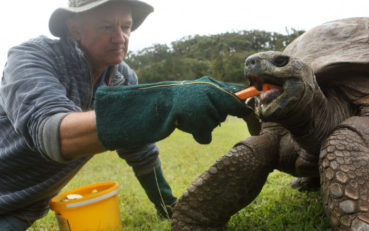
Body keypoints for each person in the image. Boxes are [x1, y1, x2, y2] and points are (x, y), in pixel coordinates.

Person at [0, 0, 250, 230]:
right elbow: (52, 135)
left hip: (26, 209)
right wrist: (164, 102)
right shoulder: (31, 58)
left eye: (126, 27)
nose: (120, 38)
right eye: (106, 26)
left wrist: (167, 205)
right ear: (75, 29)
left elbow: (139, 151)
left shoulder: (123, 78)